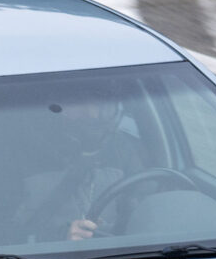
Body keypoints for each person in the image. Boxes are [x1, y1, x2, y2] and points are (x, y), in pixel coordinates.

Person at [11, 94, 150, 243]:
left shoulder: (123, 148)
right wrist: (58, 237)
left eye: (100, 103)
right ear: (54, 107)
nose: (92, 114)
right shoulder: (16, 155)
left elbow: (148, 209)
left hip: (121, 254)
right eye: (78, 102)